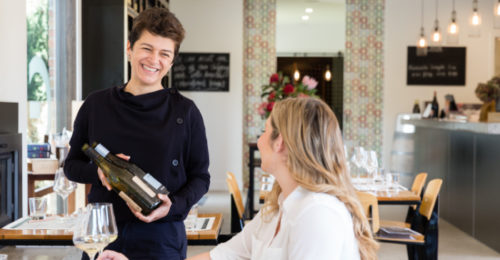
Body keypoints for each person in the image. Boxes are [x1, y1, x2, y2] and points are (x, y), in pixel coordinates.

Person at [98, 97, 378, 260]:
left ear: (281, 143)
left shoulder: (317, 213)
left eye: (266, 131)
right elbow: (217, 257)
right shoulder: (278, 209)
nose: (259, 139)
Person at [65, 7, 210, 260]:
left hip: (162, 237)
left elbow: (200, 178)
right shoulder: (96, 105)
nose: (154, 60)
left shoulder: (185, 112)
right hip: (106, 234)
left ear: (172, 60)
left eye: (164, 53)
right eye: (147, 48)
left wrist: (172, 207)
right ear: (129, 48)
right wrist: (99, 172)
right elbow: (72, 166)